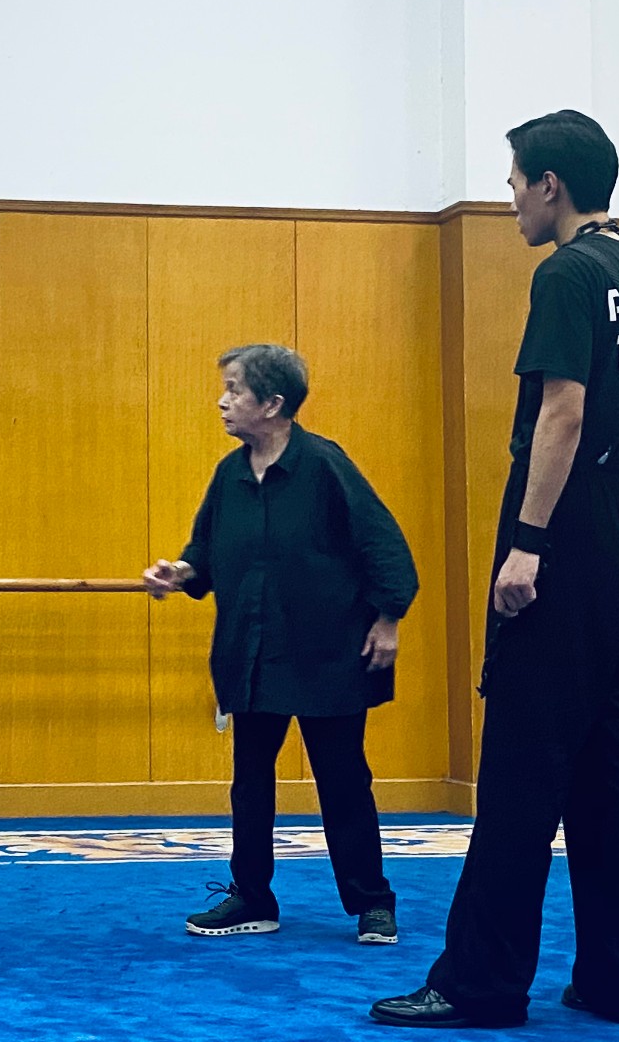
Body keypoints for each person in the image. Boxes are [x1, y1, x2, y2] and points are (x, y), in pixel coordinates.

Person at [371, 111, 619, 1028]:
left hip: (563, 535)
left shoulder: (566, 274)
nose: (509, 198)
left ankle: (481, 983)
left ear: (551, 184)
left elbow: (563, 411)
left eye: (513, 182)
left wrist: (533, 541)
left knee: (519, 769)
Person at [144, 344, 418, 946]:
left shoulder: (325, 465)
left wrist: (389, 619)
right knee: (250, 783)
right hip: (253, 653)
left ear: (272, 404)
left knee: (343, 782)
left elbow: (384, 545)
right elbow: (204, 552)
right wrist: (180, 572)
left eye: (234, 389)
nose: (222, 401)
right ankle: (253, 898)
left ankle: (372, 903)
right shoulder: (230, 474)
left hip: (330, 653)